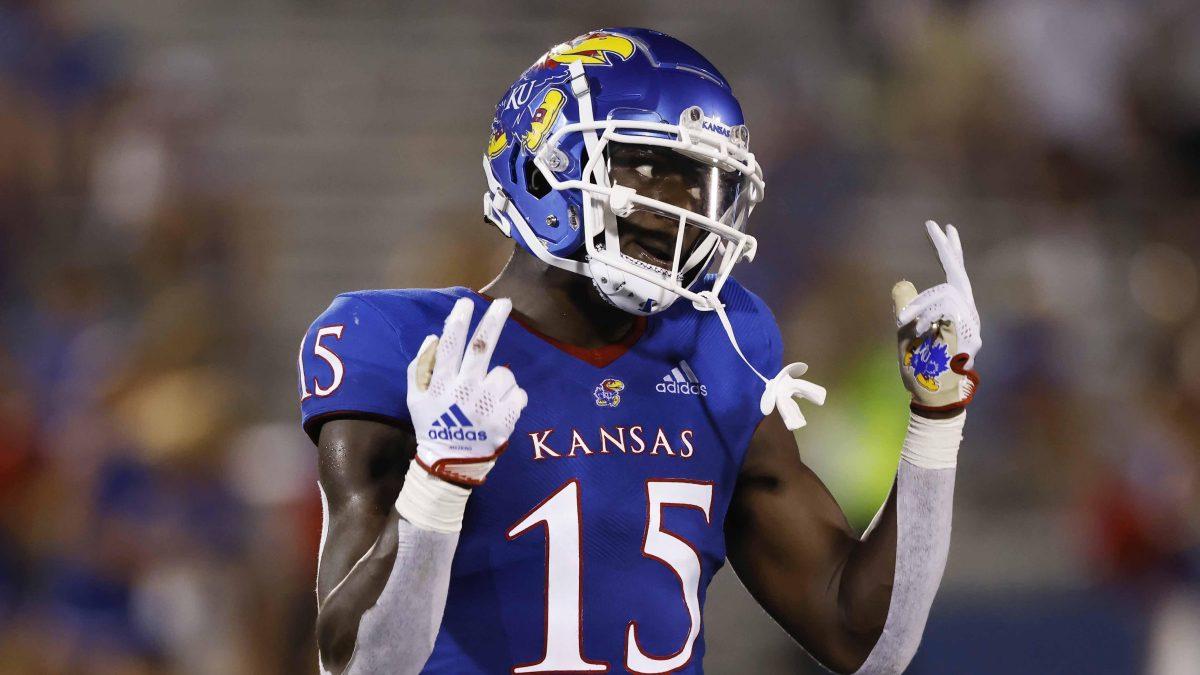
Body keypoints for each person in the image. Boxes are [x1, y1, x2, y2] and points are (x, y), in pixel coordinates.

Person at [298, 27, 981, 675]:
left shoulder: (721, 345)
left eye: (702, 181)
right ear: (543, 168)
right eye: (649, 167)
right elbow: (358, 663)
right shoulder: (406, 344)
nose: (683, 206)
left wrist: (936, 417)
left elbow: (866, 641)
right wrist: (438, 482)